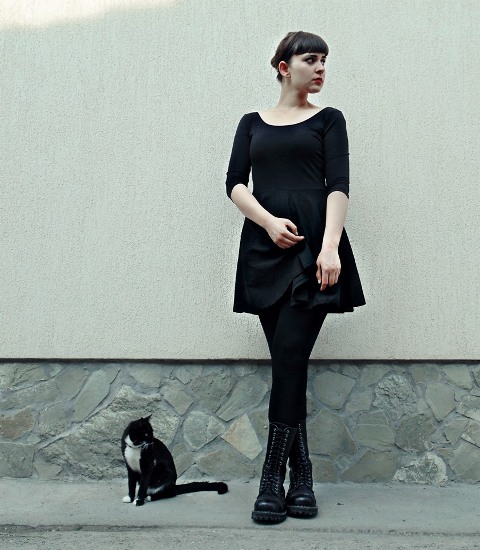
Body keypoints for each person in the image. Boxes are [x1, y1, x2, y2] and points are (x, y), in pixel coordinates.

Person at [225, 31, 366, 524]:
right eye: (311, 59)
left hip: (313, 251)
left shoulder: (330, 119)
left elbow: (338, 186)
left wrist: (329, 247)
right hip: (265, 249)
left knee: (288, 354)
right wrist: (267, 222)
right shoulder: (251, 123)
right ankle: (301, 475)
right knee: (290, 363)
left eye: (325, 60)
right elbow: (235, 184)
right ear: (285, 67)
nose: (321, 67)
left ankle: (271, 479)